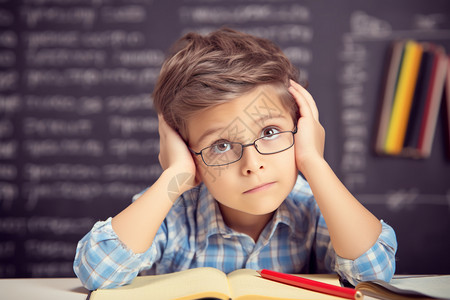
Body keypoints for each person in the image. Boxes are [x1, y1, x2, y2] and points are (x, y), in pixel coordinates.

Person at [73, 28, 397, 290]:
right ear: (187, 152)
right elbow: (97, 272)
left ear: (299, 129)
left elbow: (374, 276)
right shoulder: (172, 213)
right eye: (221, 145)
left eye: (270, 132)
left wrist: (313, 161)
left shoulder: (313, 207)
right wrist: (176, 174)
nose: (253, 164)